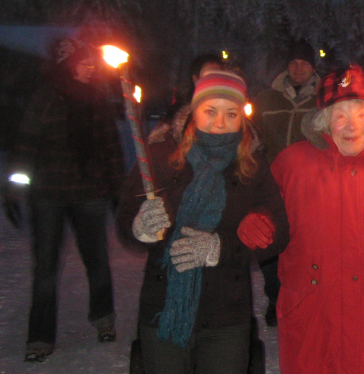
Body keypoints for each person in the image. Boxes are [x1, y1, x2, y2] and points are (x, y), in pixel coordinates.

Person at [251, 63, 364, 373]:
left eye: (360, 114)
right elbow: (267, 217)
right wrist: (258, 219)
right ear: (324, 122)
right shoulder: (293, 163)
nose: (352, 126)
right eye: (340, 115)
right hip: (310, 312)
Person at [117, 70, 289, 374]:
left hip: (226, 317)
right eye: (210, 111)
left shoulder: (252, 166)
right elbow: (124, 222)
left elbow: (279, 233)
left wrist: (219, 249)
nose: (220, 123)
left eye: (230, 113)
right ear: (193, 113)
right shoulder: (158, 157)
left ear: (242, 118)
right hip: (163, 313)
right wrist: (138, 228)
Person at [0, 37, 125, 362]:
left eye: (91, 61)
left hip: (89, 194)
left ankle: (104, 320)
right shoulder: (46, 98)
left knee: (97, 261)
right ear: (68, 64)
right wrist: (14, 187)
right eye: (84, 61)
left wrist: (116, 191)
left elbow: (110, 149)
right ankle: (39, 337)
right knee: (45, 269)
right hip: (49, 195)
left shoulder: (97, 99)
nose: (91, 66)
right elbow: (25, 144)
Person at [251, 40, 320, 326]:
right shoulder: (266, 99)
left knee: (305, 246)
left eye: (304, 63)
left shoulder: (322, 99)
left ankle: (305, 299)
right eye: (293, 63)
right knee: (271, 245)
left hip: (310, 188)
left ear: (313, 66)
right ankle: (275, 297)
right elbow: (252, 138)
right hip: (271, 185)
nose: (298, 68)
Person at [148, 52, 225, 145]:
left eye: (218, 74)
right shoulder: (178, 111)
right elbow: (159, 142)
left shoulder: (230, 109)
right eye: (208, 74)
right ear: (195, 79)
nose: (214, 79)